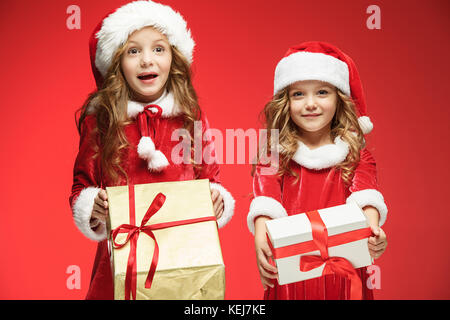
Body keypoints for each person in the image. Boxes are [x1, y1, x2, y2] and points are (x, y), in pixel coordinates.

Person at [69, 0, 235, 300]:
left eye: (159, 48)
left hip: (183, 256)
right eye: (134, 51)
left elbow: (210, 177)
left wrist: (214, 198)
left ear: (174, 56)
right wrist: (92, 205)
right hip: (123, 259)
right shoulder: (101, 121)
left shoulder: (190, 115)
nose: (147, 60)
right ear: (117, 62)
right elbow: (82, 186)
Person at [247, 41, 388, 300]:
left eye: (322, 92)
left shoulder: (356, 155)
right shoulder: (274, 156)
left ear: (339, 98)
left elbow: (367, 198)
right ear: (285, 102)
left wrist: (373, 231)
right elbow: (264, 203)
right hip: (292, 278)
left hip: (345, 278)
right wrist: (261, 237)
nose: (310, 103)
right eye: (298, 94)